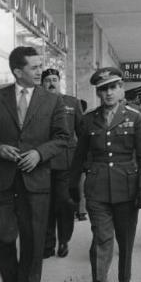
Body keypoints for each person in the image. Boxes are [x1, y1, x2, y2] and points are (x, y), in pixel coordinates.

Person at [0, 46, 69, 282]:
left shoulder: (52, 101)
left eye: (41, 66)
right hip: (2, 180)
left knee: (33, 241)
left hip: (36, 182)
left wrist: (40, 153)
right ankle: (12, 281)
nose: (40, 71)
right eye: (35, 67)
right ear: (18, 71)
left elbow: (63, 137)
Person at [69, 67, 141, 282]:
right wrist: (73, 187)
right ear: (98, 92)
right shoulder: (88, 120)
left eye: (113, 87)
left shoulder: (134, 116)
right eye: (103, 89)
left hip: (128, 187)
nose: (108, 93)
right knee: (102, 237)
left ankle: (124, 281)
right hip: (97, 189)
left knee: (125, 239)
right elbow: (79, 156)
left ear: (120, 88)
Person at [40, 68, 84, 259]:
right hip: (43, 163)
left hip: (67, 163)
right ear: (42, 84)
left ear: (60, 82)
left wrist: (84, 160)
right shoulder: (36, 104)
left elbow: (82, 133)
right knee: (46, 205)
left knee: (64, 203)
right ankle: (48, 245)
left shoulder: (72, 103)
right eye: (47, 80)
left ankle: (64, 240)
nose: (51, 83)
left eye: (54, 79)